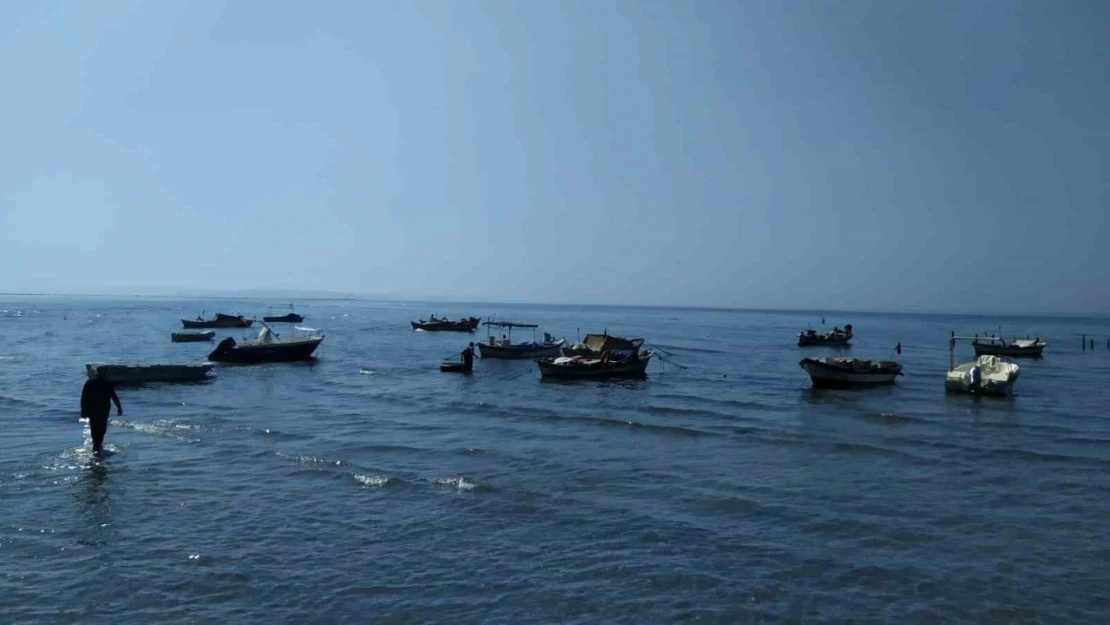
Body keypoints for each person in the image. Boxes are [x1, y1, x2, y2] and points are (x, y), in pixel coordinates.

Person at [81, 375, 122, 453]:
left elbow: (84, 397)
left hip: (93, 410)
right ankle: (97, 447)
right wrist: (119, 407)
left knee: (94, 427)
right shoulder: (106, 383)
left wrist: (83, 411)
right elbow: (114, 397)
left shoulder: (90, 382)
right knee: (101, 429)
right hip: (103, 410)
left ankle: (96, 446)